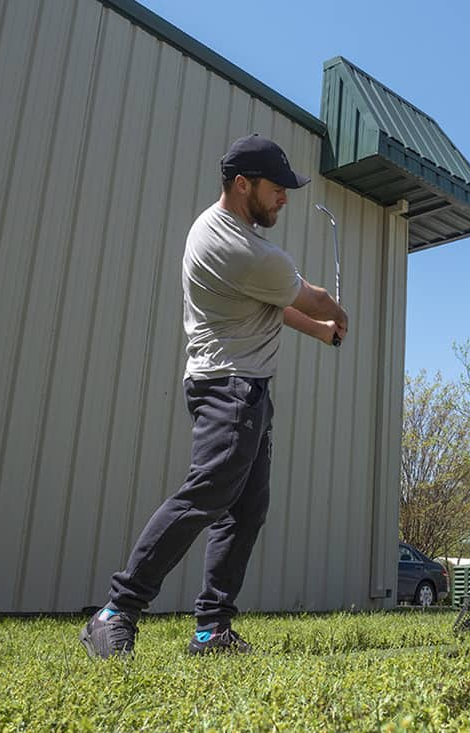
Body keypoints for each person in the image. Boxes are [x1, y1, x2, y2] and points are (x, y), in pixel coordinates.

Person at [80, 135, 348, 658]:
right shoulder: (238, 246)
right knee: (206, 495)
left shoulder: (227, 232)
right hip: (229, 387)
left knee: (245, 511)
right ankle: (116, 611)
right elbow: (309, 295)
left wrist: (318, 331)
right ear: (242, 184)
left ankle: (211, 630)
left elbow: (273, 302)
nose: (285, 199)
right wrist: (338, 314)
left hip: (245, 389)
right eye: (278, 189)